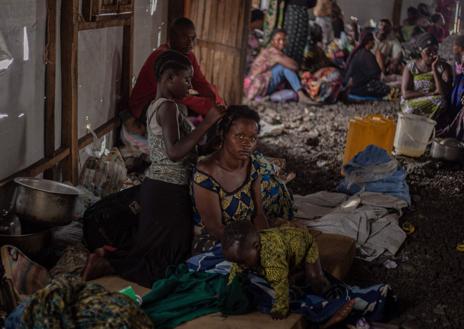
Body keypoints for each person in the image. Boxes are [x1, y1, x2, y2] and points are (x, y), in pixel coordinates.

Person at [82, 51, 225, 288]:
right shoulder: (167, 107)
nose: (191, 85)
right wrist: (208, 122)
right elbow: (174, 152)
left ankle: (106, 259)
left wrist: (210, 141)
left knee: (162, 252)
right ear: (169, 78)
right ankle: (107, 264)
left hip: (162, 188)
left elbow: (183, 148)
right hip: (166, 190)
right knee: (165, 261)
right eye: (186, 79)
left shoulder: (161, 106)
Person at [191, 106, 294, 253]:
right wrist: (249, 245)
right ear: (223, 134)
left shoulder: (252, 164)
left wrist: (266, 241)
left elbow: (259, 214)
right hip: (219, 240)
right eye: (239, 137)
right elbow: (215, 228)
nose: (247, 144)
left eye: (253, 138)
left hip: (248, 236)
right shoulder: (205, 174)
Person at [122, 17, 224, 154]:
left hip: (173, 99)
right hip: (145, 106)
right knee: (178, 109)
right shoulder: (162, 58)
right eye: (185, 38)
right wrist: (208, 106)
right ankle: (176, 149)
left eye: (193, 38)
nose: (190, 43)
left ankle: (204, 149)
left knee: (213, 105)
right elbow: (177, 97)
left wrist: (216, 100)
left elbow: (201, 83)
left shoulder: (189, 56)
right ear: (172, 37)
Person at [222, 222, 355, 327]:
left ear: (257, 246)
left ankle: (331, 300)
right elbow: (235, 270)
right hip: (287, 247)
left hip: (305, 243)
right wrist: (231, 285)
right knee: (280, 273)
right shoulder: (243, 255)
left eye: (242, 262)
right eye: (235, 262)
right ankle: (298, 273)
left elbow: (280, 286)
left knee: (315, 280)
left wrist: (280, 309)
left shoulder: (272, 259)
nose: (239, 266)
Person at [244, 29, 313, 103]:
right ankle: (301, 95)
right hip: (259, 85)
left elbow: (295, 65)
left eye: (284, 40)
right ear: (272, 41)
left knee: (291, 93)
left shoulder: (272, 51)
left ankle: (265, 98)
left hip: (258, 87)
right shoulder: (273, 52)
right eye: (278, 39)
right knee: (283, 67)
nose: (282, 42)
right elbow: (295, 66)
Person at [401, 32, 452, 119]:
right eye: (428, 52)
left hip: (434, 101)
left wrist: (434, 69)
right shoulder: (411, 67)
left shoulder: (443, 67)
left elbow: (442, 92)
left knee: (441, 102)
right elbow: (405, 94)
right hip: (413, 101)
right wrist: (430, 94)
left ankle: (430, 126)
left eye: (435, 51)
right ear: (420, 51)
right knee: (410, 108)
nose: (432, 55)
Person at [301, 22, 344, 103]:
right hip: (309, 79)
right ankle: (321, 97)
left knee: (334, 74)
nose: (322, 34)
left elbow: (325, 62)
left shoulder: (315, 48)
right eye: (320, 32)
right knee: (334, 75)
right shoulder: (309, 49)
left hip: (316, 75)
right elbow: (306, 68)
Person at [344, 32, 391, 98]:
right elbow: (376, 74)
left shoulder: (359, 52)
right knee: (387, 89)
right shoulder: (367, 55)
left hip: (353, 87)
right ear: (369, 42)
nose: (374, 42)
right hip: (359, 88)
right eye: (373, 41)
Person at [438, 35, 464, 140]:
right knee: (454, 100)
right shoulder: (457, 59)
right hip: (458, 84)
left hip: (462, 85)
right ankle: (453, 121)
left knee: (458, 101)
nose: (453, 47)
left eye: (455, 45)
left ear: (461, 47)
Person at [246, 9, 265, 74]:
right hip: (248, 64)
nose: (262, 23)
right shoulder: (247, 32)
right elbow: (254, 45)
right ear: (257, 20)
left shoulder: (253, 32)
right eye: (262, 21)